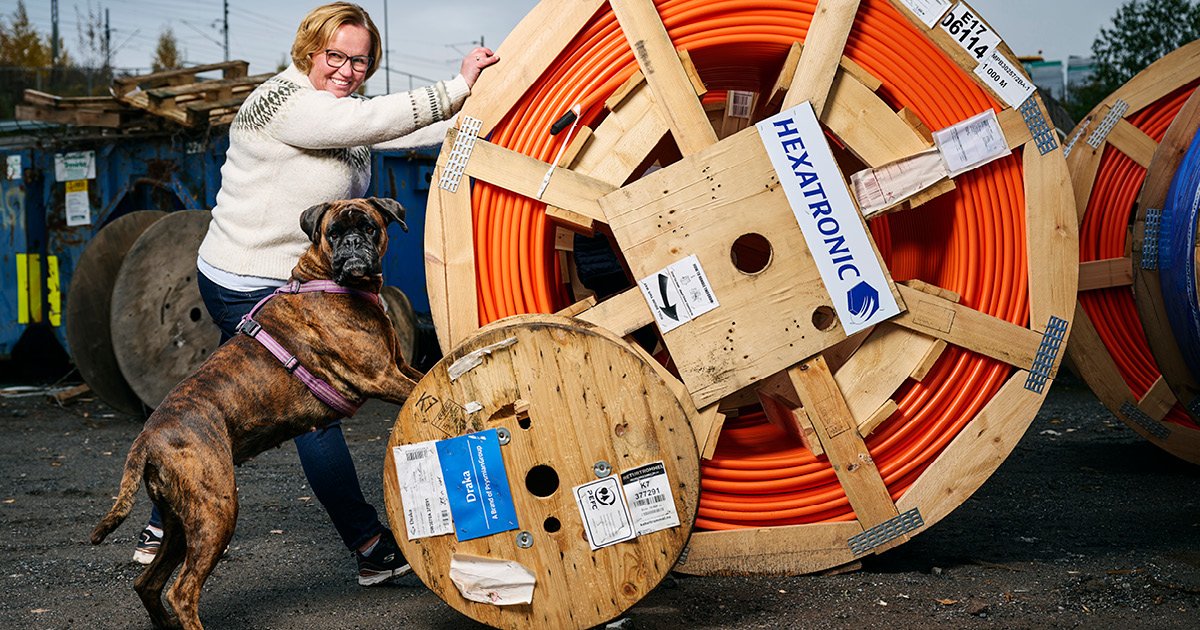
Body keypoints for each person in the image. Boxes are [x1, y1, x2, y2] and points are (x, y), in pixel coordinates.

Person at [131, 1, 497, 587]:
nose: (348, 70)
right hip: (247, 277)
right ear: (309, 50)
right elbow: (368, 124)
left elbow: (392, 126)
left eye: (360, 61)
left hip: (295, 283)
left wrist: (483, 109)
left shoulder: (341, 108)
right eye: (336, 56)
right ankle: (369, 544)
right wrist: (456, 85)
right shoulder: (284, 102)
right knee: (314, 407)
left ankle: (162, 520)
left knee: (223, 402)